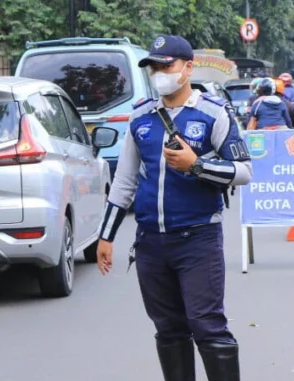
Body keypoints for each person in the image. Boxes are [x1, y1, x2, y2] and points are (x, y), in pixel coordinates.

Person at [96, 34, 253, 381]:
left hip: (198, 238)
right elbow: (124, 182)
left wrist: (196, 165)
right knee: (168, 329)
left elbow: (243, 171)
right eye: (154, 67)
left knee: (207, 325)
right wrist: (104, 237)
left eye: (166, 66)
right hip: (151, 243)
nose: (159, 73)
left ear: (187, 68)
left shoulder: (214, 113)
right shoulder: (140, 118)